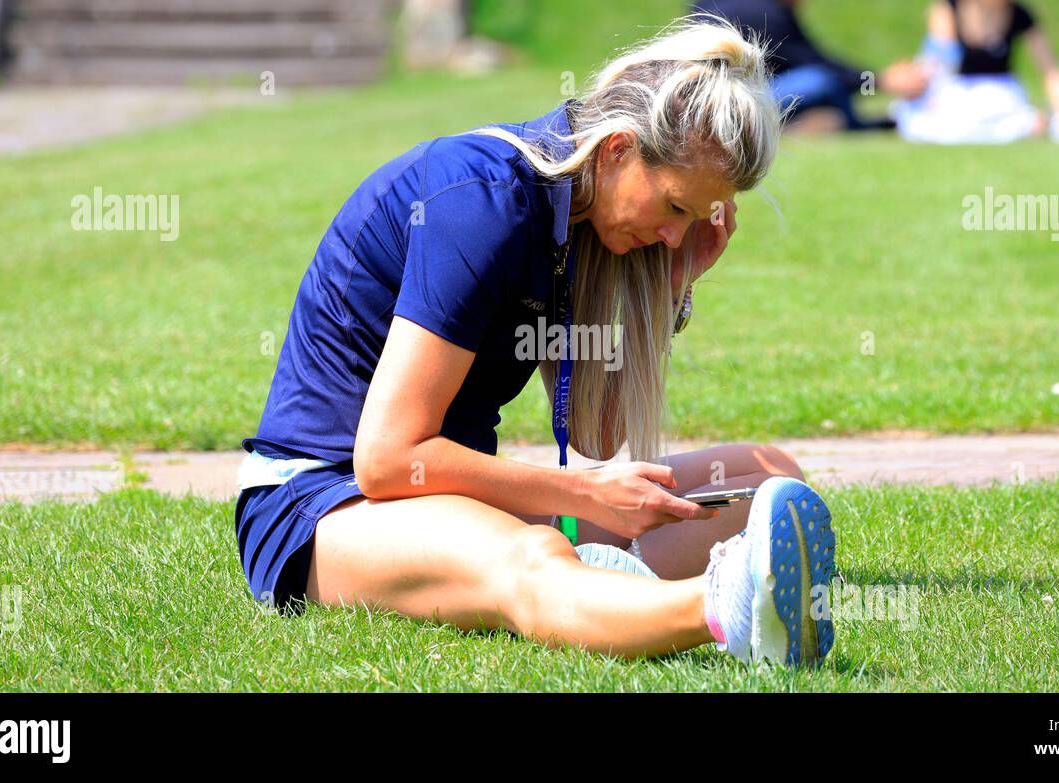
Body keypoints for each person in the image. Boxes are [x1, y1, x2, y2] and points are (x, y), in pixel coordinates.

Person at [234, 17, 837, 666]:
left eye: (694, 218)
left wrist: (673, 284)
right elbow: (385, 461)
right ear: (616, 150)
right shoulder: (483, 202)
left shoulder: (589, 216)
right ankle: (722, 607)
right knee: (533, 555)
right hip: (322, 502)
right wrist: (581, 495)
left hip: (445, 501)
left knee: (767, 478)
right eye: (675, 208)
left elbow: (597, 434)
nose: (674, 234)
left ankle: (602, 592)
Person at [692, 0, 928, 131]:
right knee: (818, 80)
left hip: (703, 100)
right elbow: (818, 65)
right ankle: (854, 125)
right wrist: (880, 81)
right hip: (736, 103)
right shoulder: (764, 12)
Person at [895, 0, 1059, 143]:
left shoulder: (1020, 15)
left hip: (1003, 95)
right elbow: (937, 63)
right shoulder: (949, 8)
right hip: (958, 94)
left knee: (1020, 120)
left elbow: (1051, 70)